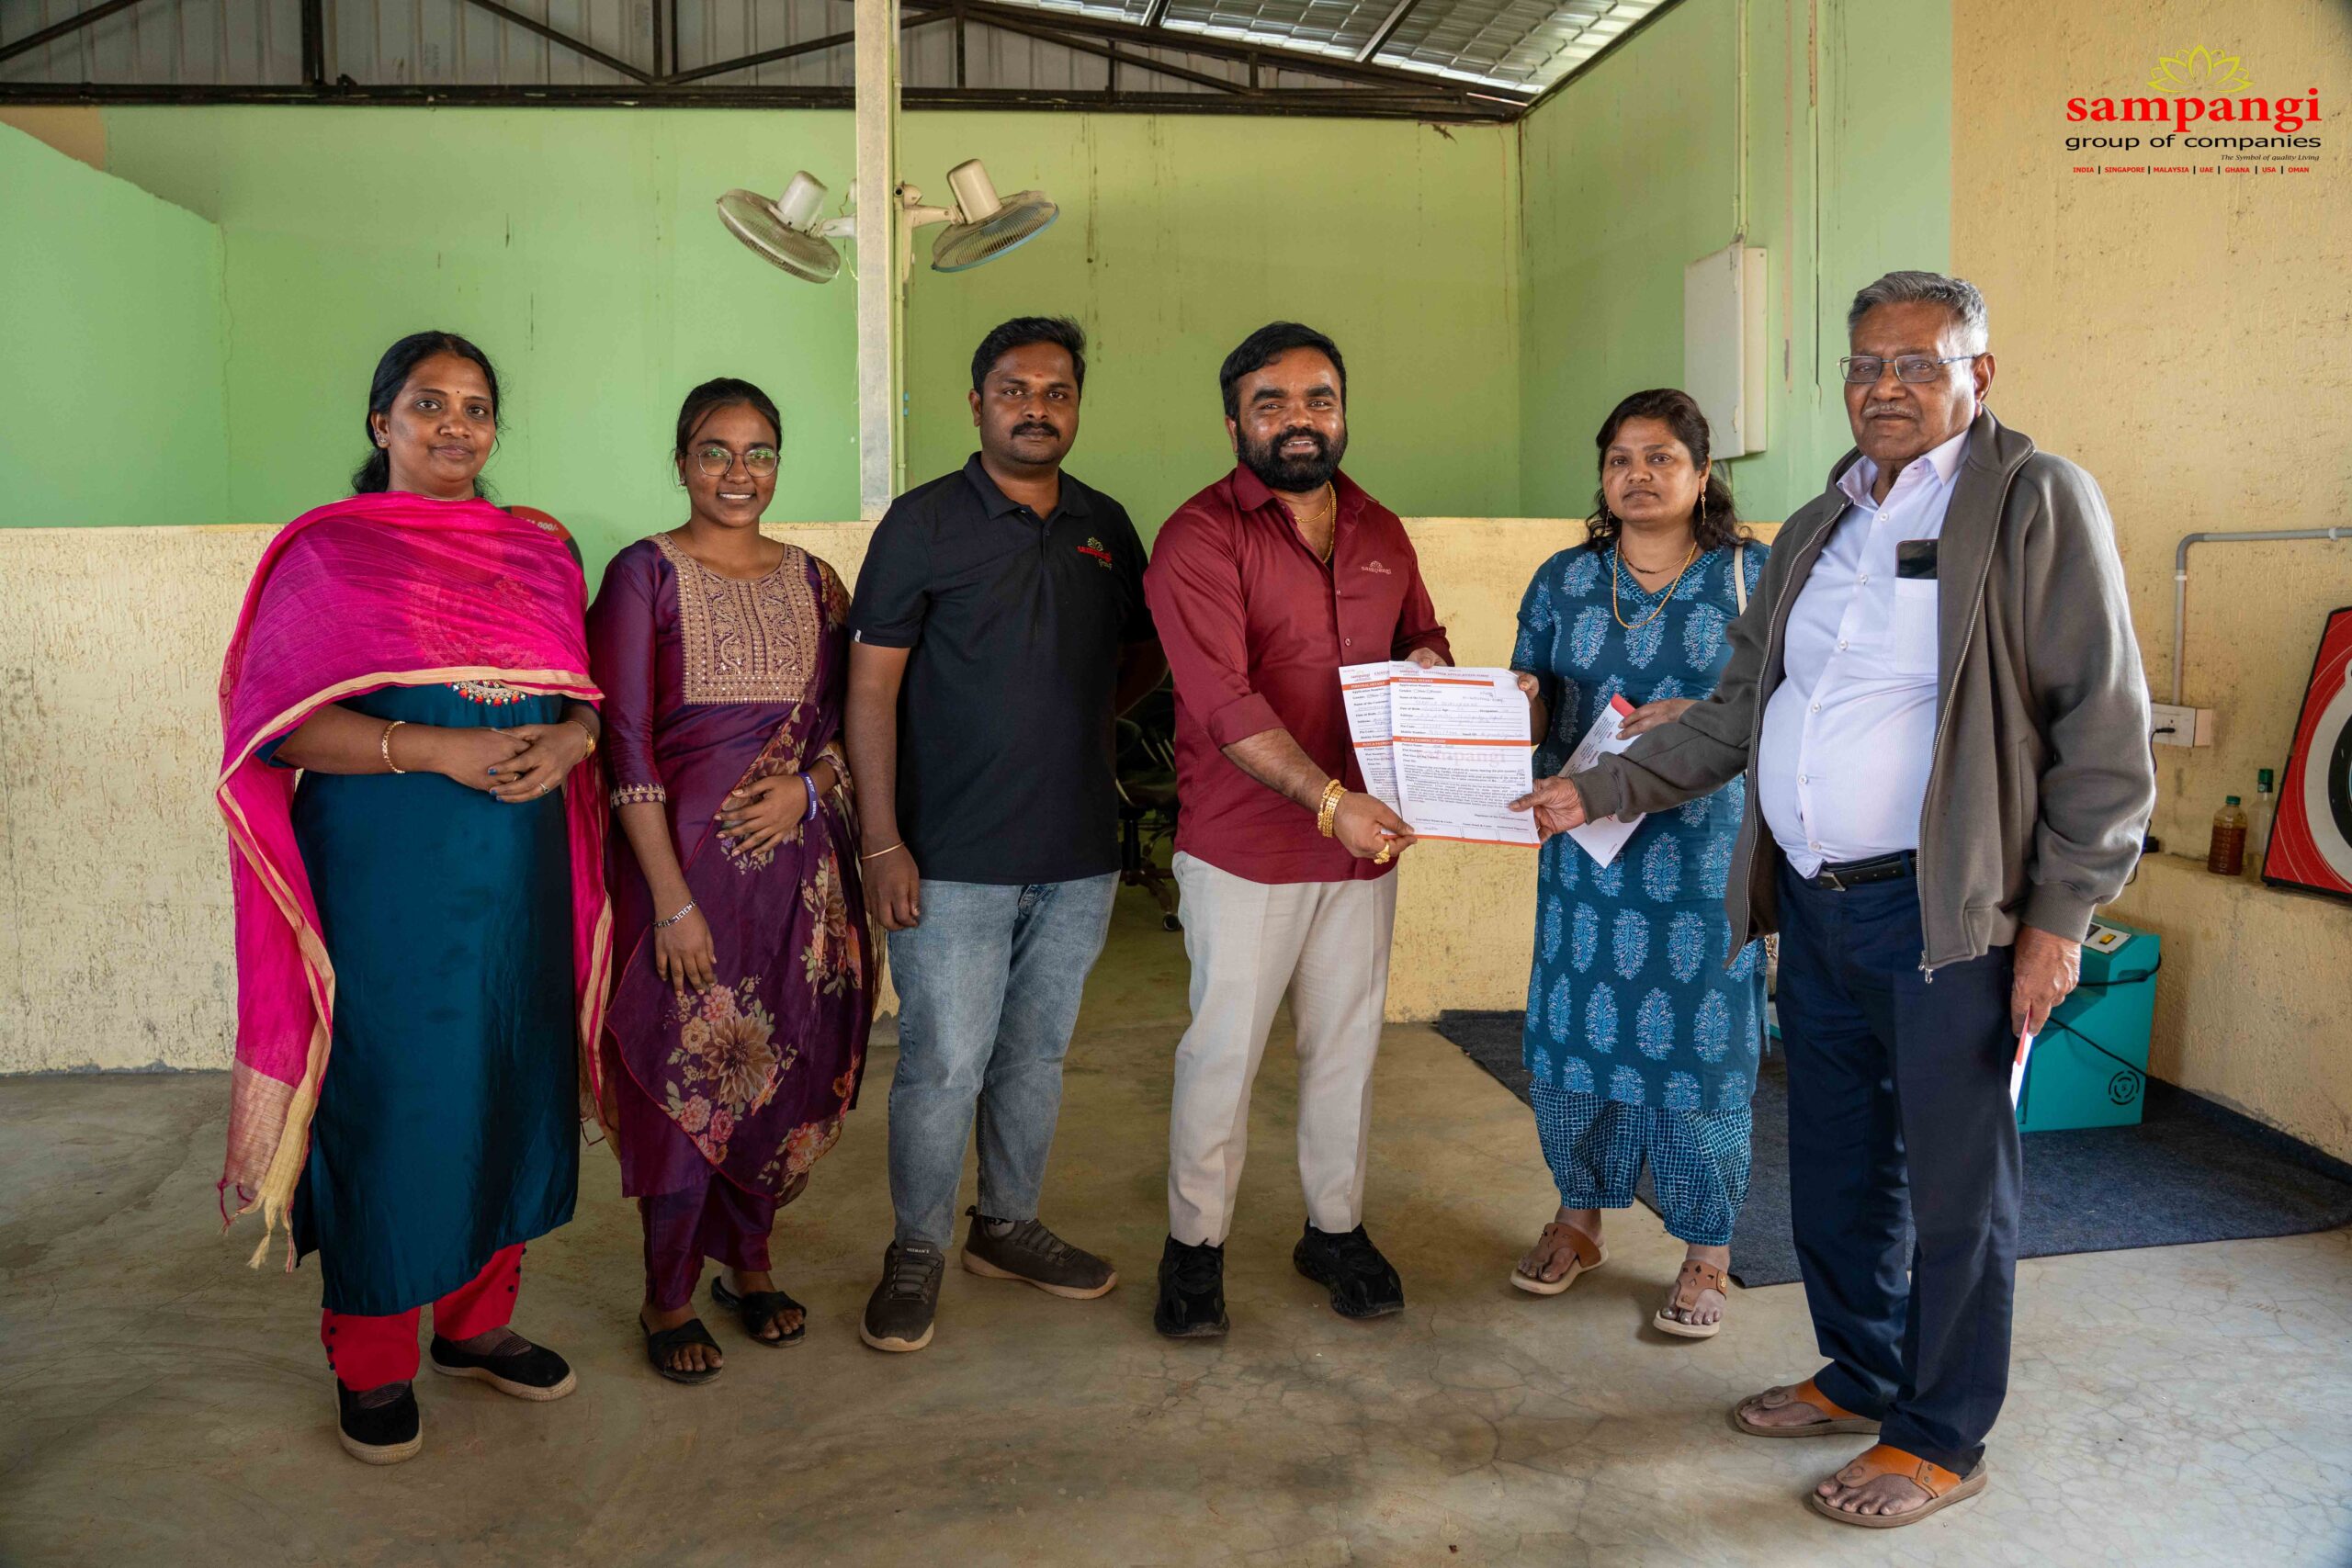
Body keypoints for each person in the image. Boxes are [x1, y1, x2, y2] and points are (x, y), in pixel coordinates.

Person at [1513, 272, 2154, 1527]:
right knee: (1839, 1163)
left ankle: (1941, 1434)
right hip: (1812, 905)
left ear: (1980, 374)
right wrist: (1600, 790)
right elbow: (1740, 712)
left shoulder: (2033, 500)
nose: (1886, 385)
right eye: (1866, 363)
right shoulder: (1823, 520)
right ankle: (1862, 1371)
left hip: (1949, 913)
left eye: (1918, 362)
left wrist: (2060, 918)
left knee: (1960, 1188)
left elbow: (2102, 726)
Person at [216, 331, 609, 1464]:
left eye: (476, 407)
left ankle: (476, 1325)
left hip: (521, 880)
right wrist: (430, 749)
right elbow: (280, 729)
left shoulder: (540, 549)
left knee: (511, 1080)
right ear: (380, 421)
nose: (455, 426)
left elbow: (578, 694)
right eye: (429, 404)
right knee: (394, 1103)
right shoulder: (331, 554)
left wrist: (577, 739)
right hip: (387, 882)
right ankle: (374, 1360)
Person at [845, 316, 1164, 1354]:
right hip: (949, 857)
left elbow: (1142, 655)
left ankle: (1007, 1225)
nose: (1037, 408)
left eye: (1056, 391)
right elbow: (869, 690)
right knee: (943, 1063)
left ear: (1077, 406)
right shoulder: (923, 523)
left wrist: (1078, 726)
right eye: (1015, 390)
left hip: (1076, 853)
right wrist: (882, 842)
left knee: (1035, 1057)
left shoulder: (1105, 525)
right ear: (977, 403)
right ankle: (916, 1248)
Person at [1145, 321, 1447, 1340]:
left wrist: (1439, 677)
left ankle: (1334, 1228)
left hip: (1366, 847)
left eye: (1319, 398)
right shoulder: (1198, 536)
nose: (1299, 419)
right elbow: (1223, 703)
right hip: (1246, 848)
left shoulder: (1380, 528)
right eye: (1270, 402)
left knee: (1345, 1049)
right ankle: (1194, 1247)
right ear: (1234, 423)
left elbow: (1421, 636)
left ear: (1343, 412)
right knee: (1223, 1054)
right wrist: (1327, 801)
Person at [588, 378, 875, 1384]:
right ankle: (666, 1295)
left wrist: (809, 789)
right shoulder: (643, 574)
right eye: (715, 451)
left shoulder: (818, 584)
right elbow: (623, 742)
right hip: (678, 875)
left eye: (759, 453)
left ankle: (750, 1266)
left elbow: (848, 730)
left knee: (778, 1068)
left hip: (799, 880)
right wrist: (670, 901)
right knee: (685, 1079)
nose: (737, 472)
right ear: (681, 462)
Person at [1507, 389, 1770, 1338]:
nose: (1638, 475)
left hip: (1703, 859)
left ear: (1703, 473)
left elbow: (1797, 700)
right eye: (1620, 458)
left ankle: (1707, 1251)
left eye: (1661, 457)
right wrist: (1520, 698)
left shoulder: (1752, 576)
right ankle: (1578, 1220)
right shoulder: (1565, 580)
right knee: (1574, 1040)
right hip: (1586, 857)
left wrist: (1701, 718)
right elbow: (1532, 706)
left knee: (1700, 1051)